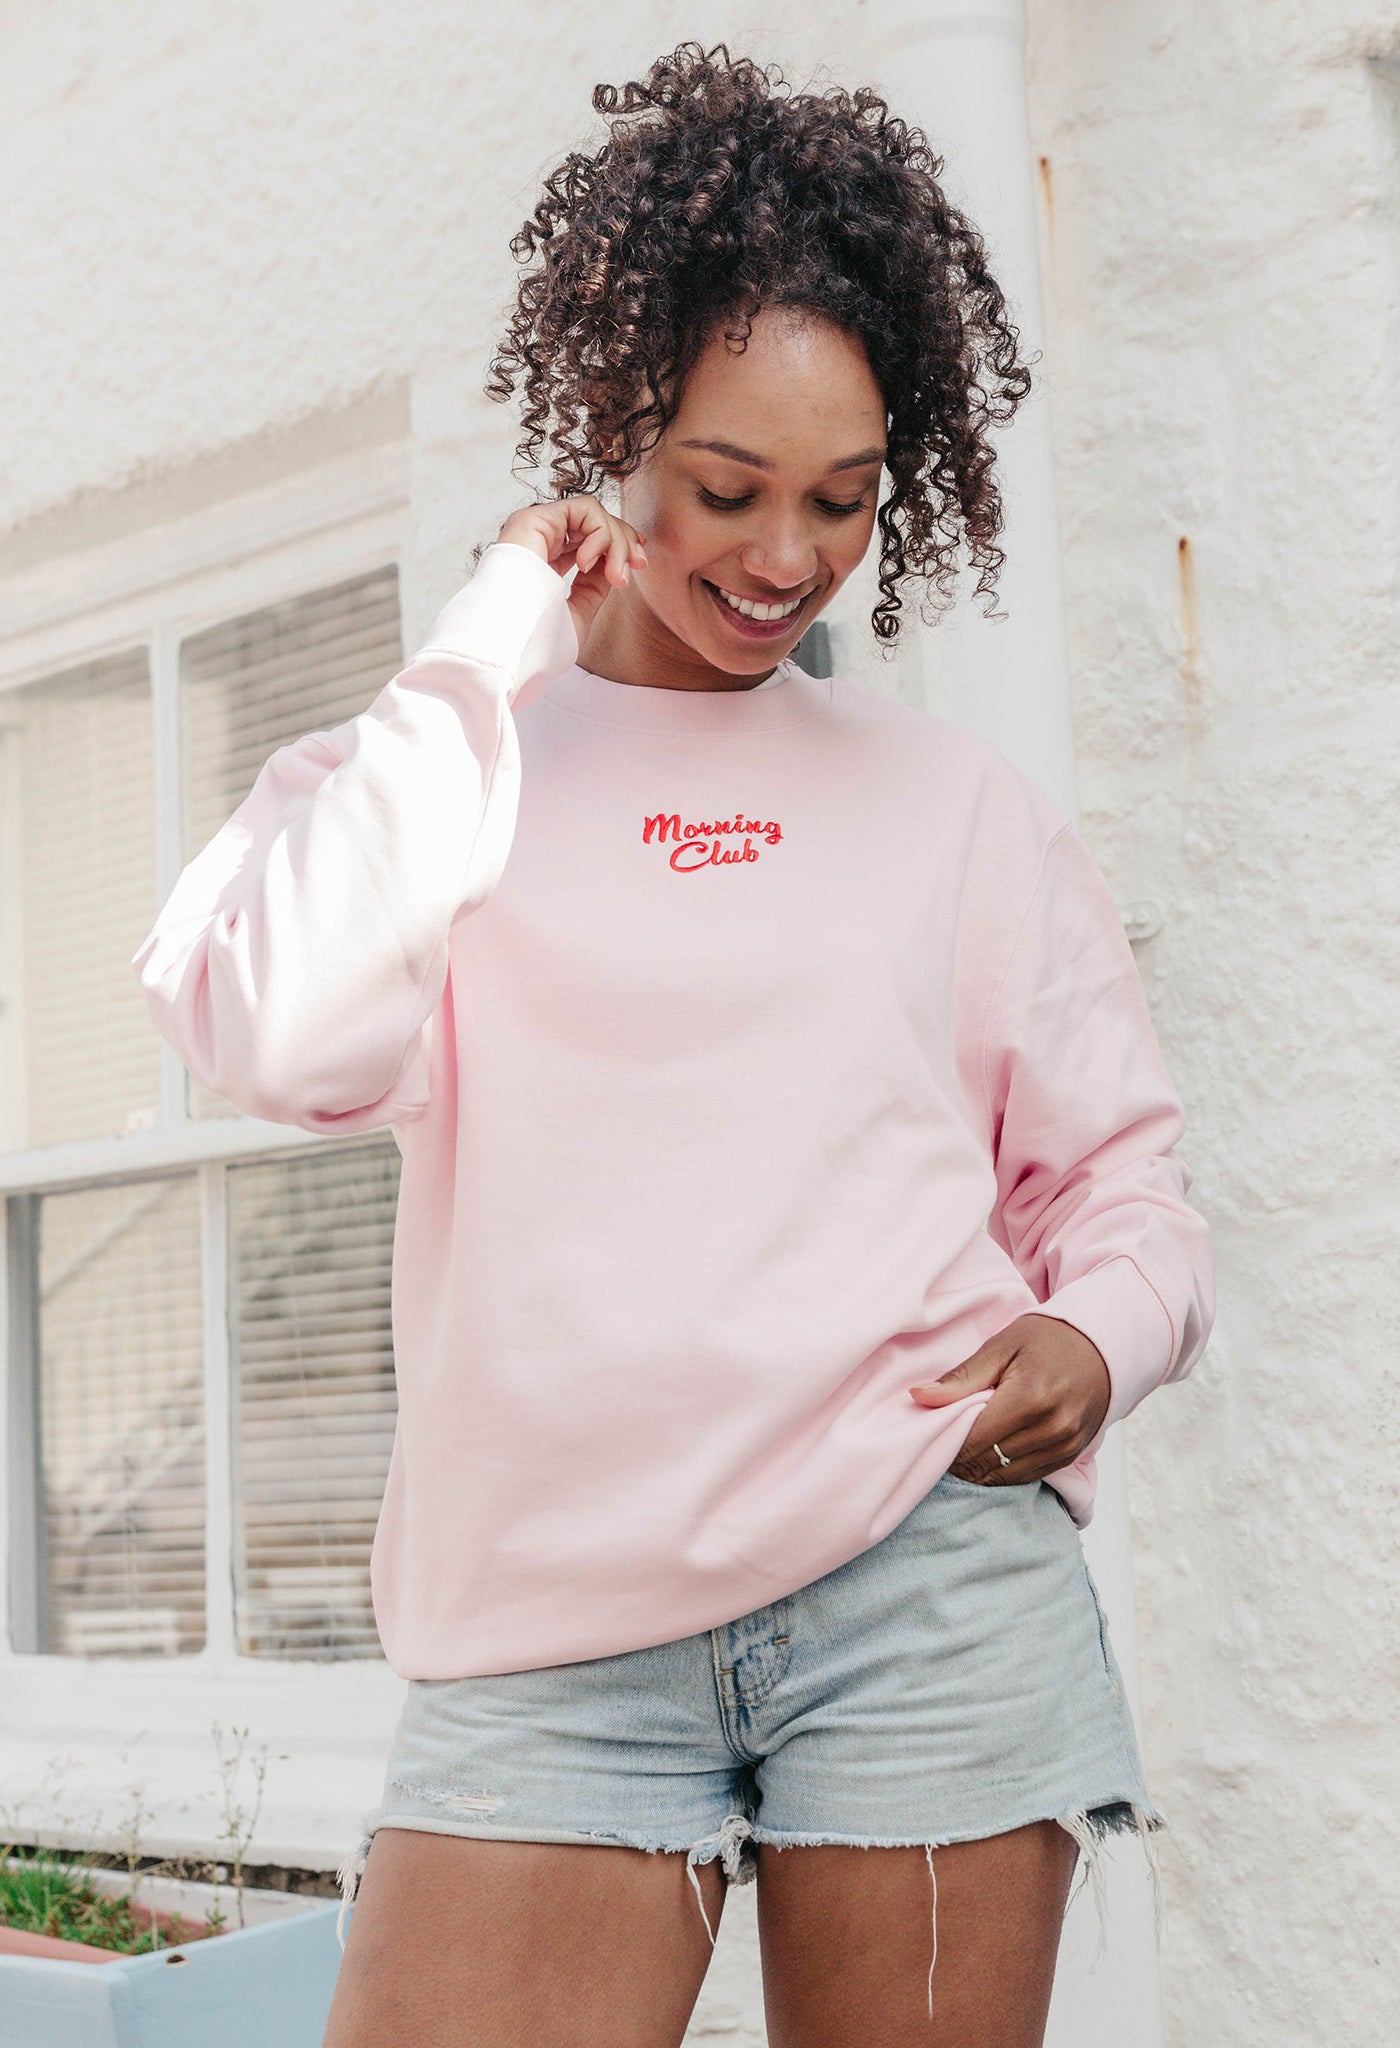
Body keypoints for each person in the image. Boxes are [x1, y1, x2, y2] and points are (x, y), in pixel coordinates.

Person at [132, 41, 1215, 2048]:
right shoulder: (449, 767)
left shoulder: (951, 804)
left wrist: (1098, 1336)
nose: (783, 559)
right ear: (617, 431)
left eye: (841, 500)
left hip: (923, 1601)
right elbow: (279, 1033)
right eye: (725, 489)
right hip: (550, 1637)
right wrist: (480, 644)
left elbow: (1120, 1180)